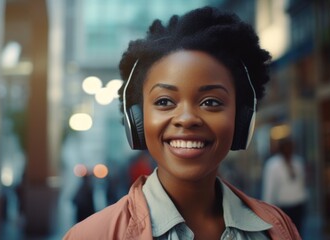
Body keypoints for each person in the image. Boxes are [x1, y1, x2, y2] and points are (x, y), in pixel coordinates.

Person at [64, 6, 300, 239]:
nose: (187, 119)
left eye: (210, 102)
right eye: (165, 101)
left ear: (241, 118)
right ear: (137, 119)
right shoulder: (89, 235)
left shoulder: (277, 230)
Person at [262, 137, 307, 233]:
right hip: (284, 207)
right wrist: (267, 212)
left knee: (298, 233)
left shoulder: (298, 162)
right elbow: (269, 189)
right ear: (281, 148)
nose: (289, 149)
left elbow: (301, 184)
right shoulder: (273, 165)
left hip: (298, 205)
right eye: (287, 147)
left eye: (291, 147)